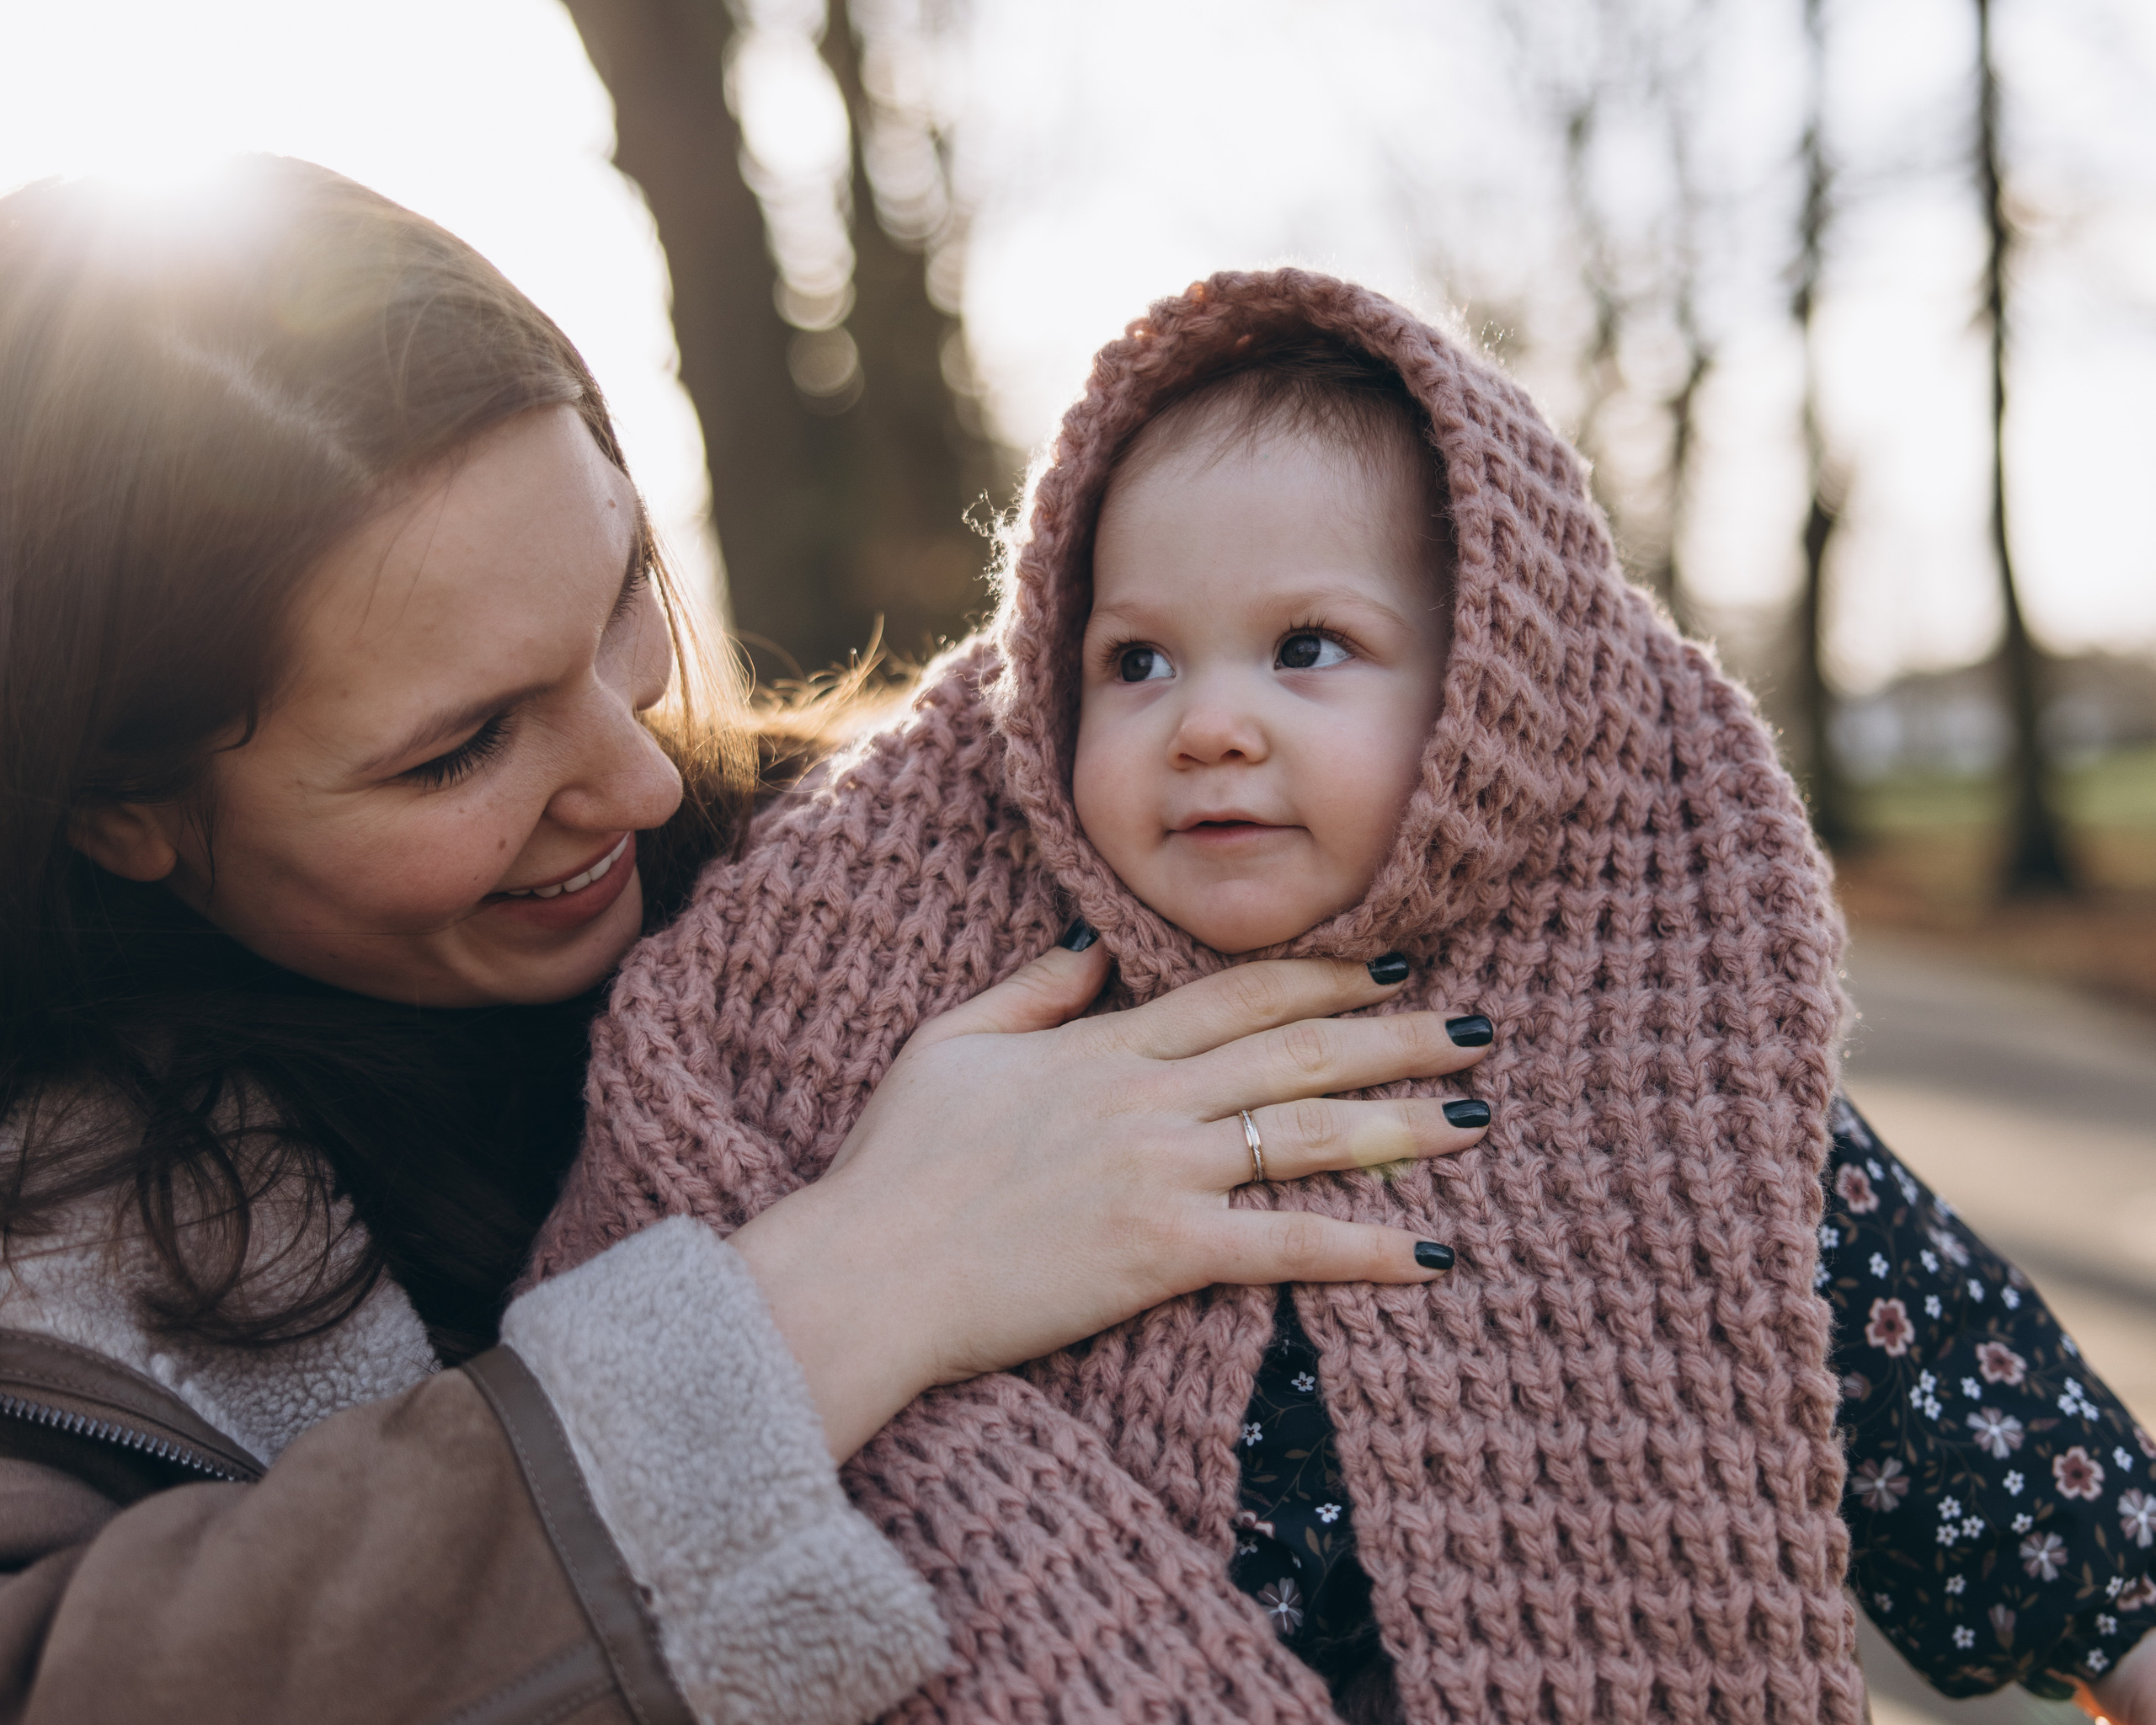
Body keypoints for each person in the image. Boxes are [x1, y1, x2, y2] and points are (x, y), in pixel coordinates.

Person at [533, 273, 2156, 1725]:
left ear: (1486, 701)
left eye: (1308, 647)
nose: (1210, 724)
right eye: (1138, 662)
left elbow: (1939, 1384)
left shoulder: (1667, 1074)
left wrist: (2122, 1619)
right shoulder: (954, 1019)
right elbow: (668, 1236)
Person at [0, 163, 1493, 1725]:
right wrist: (860, 1285)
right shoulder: (57, 1284)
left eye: (622, 601)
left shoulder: (960, 828)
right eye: (461, 749)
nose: (646, 782)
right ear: (121, 808)